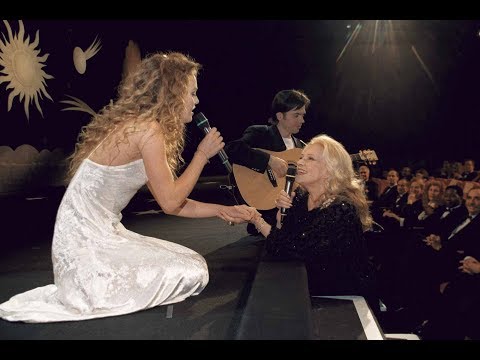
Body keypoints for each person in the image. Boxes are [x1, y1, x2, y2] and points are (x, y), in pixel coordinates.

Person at [0, 51, 256, 323]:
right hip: (83, 241)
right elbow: (171, 202)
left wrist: (223, 210)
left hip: (98, 232)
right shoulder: (148, 131)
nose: (196, 100)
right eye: (192, 93)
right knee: (192, 271)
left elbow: (171, 201)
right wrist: (202, 156)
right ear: (172, 93)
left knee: (190, 261)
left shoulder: (146, 127)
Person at [248, 134, 378, 312]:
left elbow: (294, 249)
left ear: (330, 170)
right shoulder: (301, 198)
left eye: (310, 159)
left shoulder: (342, 208)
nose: (299, 163)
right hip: (311, 293)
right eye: (301, 157)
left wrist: (257, 220)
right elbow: (281, 243)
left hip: (344, 303)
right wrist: (280, 218)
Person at [225, 89, 310, 234]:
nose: (302, 120)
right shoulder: (261, 133)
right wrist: (269, 160)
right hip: (265, 213)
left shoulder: (302, 147)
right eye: (296, 115)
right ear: (280, 116)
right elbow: (233, 149)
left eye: (302, 115)